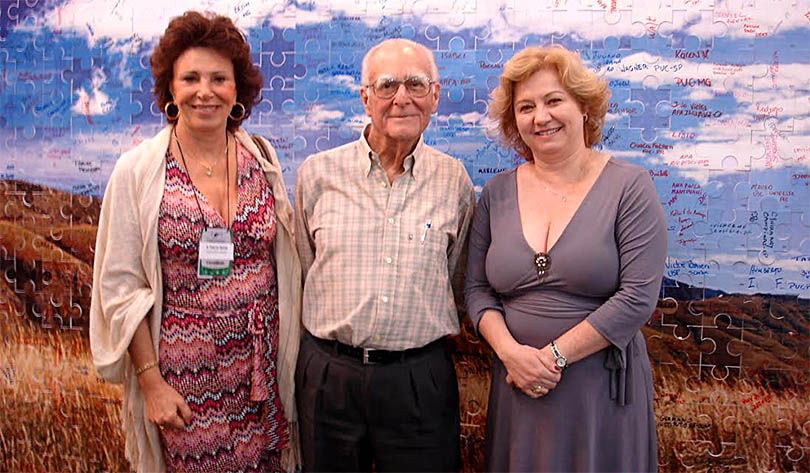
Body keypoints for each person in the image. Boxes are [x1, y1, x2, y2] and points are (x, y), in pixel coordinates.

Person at [89, 11, 301, 473]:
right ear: (170, 88)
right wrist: (151, 384)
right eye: (190, 78)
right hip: (185, 379)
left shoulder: (261, 159)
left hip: (262, 373)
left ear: (237, 89)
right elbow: (120, 288)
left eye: (218, 78)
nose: (205, 91)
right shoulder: (138, 171)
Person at [465, 45, 666, 472]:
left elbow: (637, 298)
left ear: (584, 107)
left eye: (554, 100)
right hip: (517, 386)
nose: (541, 117)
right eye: (526, 107)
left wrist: (551, 359)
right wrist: (512, 355)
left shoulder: (630, 186)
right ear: (514, 121)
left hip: (598, 394)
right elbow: (477, 290)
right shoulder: (496, 193)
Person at [293, 38, 475, 472]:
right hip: (328, 378)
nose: (401, 98)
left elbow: (457, 280)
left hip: (418, 381)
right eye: (387, 85)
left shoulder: (454, 181)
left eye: (416, 84)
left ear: (435, 95)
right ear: (365, 98)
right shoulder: (317, 174)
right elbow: (303, 267)